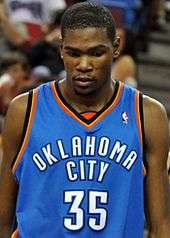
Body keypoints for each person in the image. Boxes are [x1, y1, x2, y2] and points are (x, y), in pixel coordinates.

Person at [0, 2, 169, 238]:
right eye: (73, 53)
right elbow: (3, 221)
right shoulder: (24, 110)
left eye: (96, 53)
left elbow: (161, 226)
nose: (84, 65)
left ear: (116, 47)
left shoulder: (148, 114)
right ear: (60, 49)